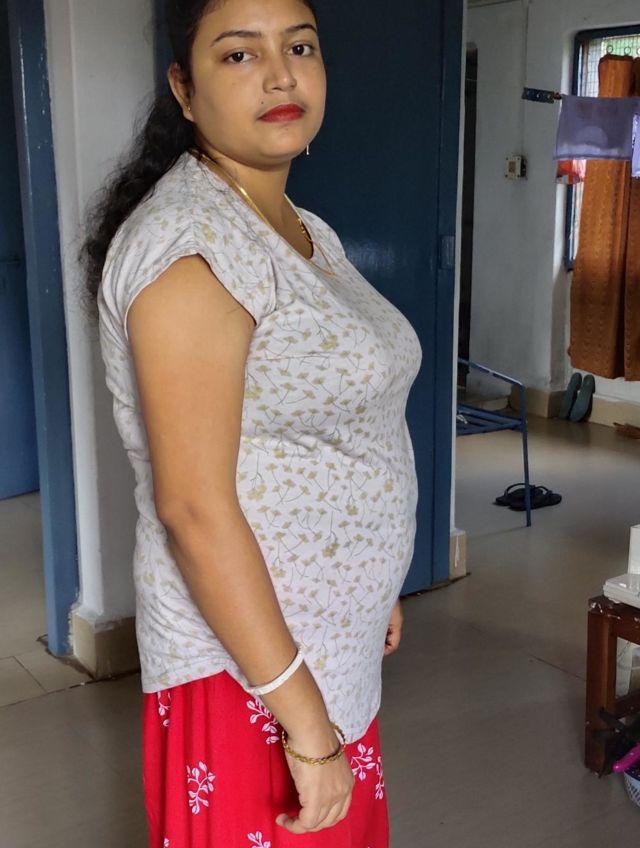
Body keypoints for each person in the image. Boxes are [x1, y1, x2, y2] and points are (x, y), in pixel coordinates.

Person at [83, 0, 422, 845]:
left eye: (299, 47)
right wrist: (307, 729)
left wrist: (369, 581)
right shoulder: (191, 248)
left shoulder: (301, 229)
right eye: (239, 54)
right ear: (184, 89)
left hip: (320, 652)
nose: (279, 75)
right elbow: (194, 511)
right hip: (253, 678)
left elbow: (331, 428)